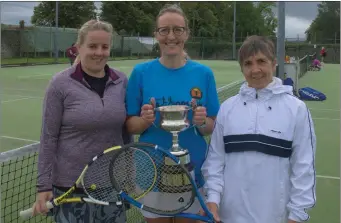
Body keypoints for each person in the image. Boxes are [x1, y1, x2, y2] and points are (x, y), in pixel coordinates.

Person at [201, 35, 316, 223]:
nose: (255, 70)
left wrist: (296, 216)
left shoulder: (297, 110)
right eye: (248, 63)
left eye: (261, 61)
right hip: (228, 216)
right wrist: (212, 202)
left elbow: (304, 168)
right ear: (242, 68)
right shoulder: (227, 108)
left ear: (274, 63)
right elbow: (215, 161)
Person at [125, 4, 220, 223]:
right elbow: (130, 125)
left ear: (186, 33)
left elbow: (211, 126)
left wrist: (201, 120)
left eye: (178, 29)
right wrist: (144, 120)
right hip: (151, 171)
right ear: (156, 35)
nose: (171, 36)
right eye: (164, 30)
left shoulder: (204, 74)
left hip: (192, 170)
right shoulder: (140, 73)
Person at [33, 19, 131, 223]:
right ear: (79, 47)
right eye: (93, 46)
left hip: (111, 184)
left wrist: (129, 176)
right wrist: (43, 186)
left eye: (105, 47)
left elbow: (126, 133)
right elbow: (48, 137)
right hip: (70, 187)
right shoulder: (59, 84)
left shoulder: (121, 81)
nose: (99, 52)